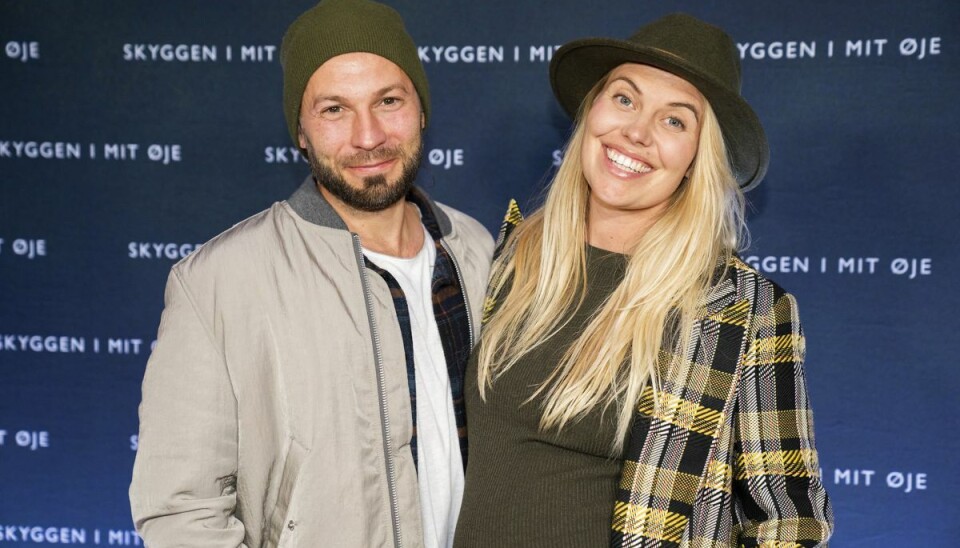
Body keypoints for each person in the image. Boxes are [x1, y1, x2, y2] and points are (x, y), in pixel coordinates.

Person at [454, 13, 832, 548]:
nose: (636, 132)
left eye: (675, 121)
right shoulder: (514, 257)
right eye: (625, 99)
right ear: (591, 111)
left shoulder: (741, 310)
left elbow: (792, 524)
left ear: (698, 158)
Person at [129, 0, 493, 546]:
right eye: (334, 110)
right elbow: (180, 512)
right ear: (300, 129)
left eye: (388, 101)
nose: (368, 136)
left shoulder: (478, 249)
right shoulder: (218, 283)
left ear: (421, 110)